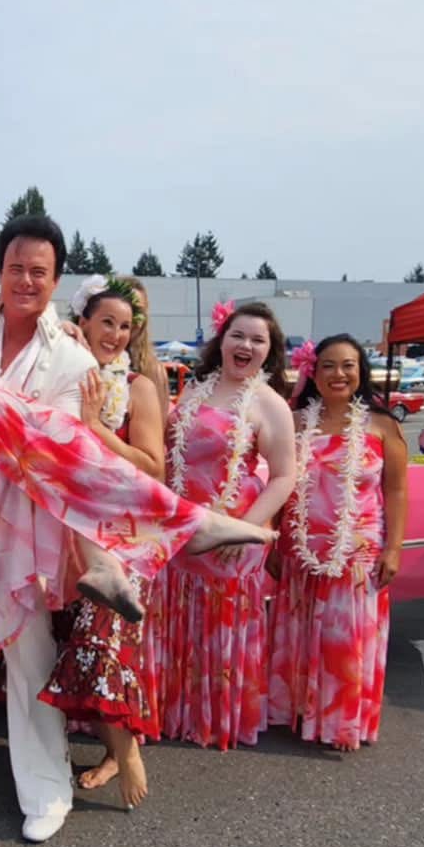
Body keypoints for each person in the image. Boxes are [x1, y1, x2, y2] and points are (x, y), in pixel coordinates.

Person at [0, 176, 269, 843]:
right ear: (2, 270)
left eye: (38, 271)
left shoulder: (72, 357)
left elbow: (68, 465)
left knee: (27, 655)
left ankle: (47, 789)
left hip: (20, 522)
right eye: (15, 266)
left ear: (55, 279)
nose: (24, 279)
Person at [38, 275, 171, 807]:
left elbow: (153, 466)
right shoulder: (61, 371)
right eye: (106, 322)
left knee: (103, 638)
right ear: (84, 324)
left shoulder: (136, 385)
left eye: (124, 325)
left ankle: (127, 753)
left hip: (118, 531)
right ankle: (113, 748)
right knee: (74, 637)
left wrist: (97, 426)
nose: (115, 334)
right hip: (61, 526)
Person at [153, 300, 298, 751]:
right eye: (239, 335)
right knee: (177, 621)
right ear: (222, 340)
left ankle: (214, 719)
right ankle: (174, 712)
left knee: (220, 629)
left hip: (233, 533)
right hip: (181, 531)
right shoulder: (196, 389)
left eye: (258, 340)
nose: (246, 345)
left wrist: (244, 529)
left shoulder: (270, 404)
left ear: (269, 352)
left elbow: (284, 475)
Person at [270, 333, 410, 751]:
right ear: (313, 373)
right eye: (328, 365)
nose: (338, 374)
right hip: (300, 550)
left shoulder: (382, 426)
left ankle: (340, 720)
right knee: (300, 630)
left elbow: (397, 490)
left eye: (348, 365)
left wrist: (394, 548)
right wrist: (275, 541)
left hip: (356, 553)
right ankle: (297, 709)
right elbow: (278, 482)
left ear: (360, 372)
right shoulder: (294, 423)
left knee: (342, 638)